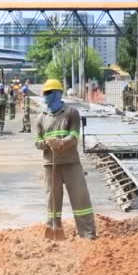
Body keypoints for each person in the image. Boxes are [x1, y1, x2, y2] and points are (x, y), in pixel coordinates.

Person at [35, 79, 96, 239]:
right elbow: (37, 141)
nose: (45, 96)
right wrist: (46, 144)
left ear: (57, 94)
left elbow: (74, 136)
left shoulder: (71, 113)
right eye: (44, 93)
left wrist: (61, 143)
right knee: (52, 201)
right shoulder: (41, 118)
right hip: (50, 165)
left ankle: (87, 232)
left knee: (80, 198)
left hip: (71, 164)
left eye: (48, 93)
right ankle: (53, 230)